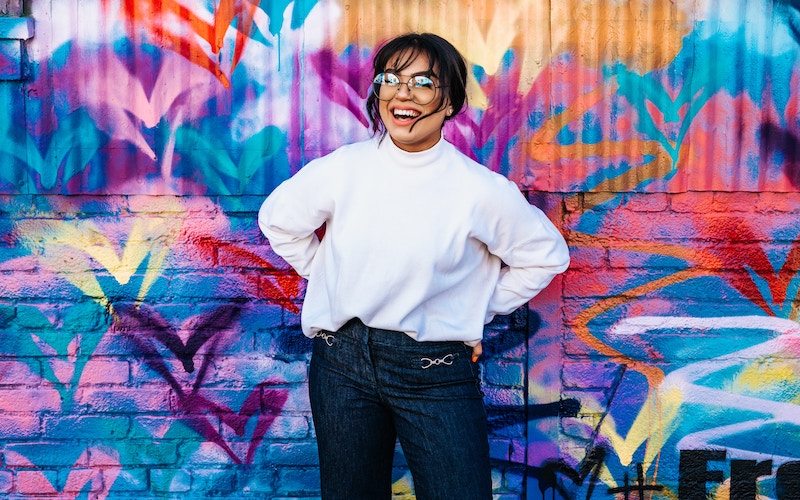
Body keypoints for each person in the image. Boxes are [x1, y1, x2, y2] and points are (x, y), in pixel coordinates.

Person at [258, 32, 570, 500]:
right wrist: (327, 274)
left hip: (435, 367)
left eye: (423, 82)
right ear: (378, 93)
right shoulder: (344, 169)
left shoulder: (478, 190)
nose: (403, 93)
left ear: (449, 103)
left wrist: (475, 309)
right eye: (391, 79)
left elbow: (545, 255)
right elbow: (279, 221)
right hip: (341, 365)